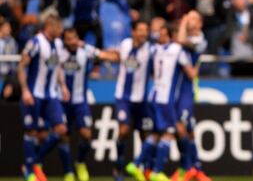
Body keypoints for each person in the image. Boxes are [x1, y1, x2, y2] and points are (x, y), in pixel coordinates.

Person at [96, 21, 154, 181]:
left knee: (145, 135)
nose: (143, 33)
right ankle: (119, 168)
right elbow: (117, 55)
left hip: (141, 99)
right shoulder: (126, 44)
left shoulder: (150, 49)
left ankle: (145, 169)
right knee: (123, 130)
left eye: (146, 30)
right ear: (133, 31)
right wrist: (99, 54)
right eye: (141, 30)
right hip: (124, 98)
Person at [18, 15, 72, 181]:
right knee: (33, 132)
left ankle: (35, 162)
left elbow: (57, 68)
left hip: (51, 94)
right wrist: (25, 90)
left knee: (61, 129)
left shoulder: (58, 44)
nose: (61, 31)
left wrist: (62, 85)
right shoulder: (35, 42)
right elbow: (21, 65)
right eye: (59, 28)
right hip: (34, 93)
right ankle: (29, 170)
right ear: (50, 26)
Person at [147, 24, 197, 181]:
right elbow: (192, 73)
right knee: (176, 132)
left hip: (178, 98)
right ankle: (183, 168)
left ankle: (187, 168)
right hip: (170, 99)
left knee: (181, 132)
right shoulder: (175, 50)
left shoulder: (196, 41)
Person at [60, 28, 107, 181]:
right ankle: (68, 172)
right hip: (63, 101)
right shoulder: (58, 53)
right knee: (63, 135)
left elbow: (106, 56)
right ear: (64, 41)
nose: (72, 41)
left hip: (80, 100)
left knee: (87, 134)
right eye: (68, 39)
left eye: (74, 37)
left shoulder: (84, 52)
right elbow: (49, 68)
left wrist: (89, 48)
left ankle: (80, 162)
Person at [171, 11, 211, 181]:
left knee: (182, 129)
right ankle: (193, 168)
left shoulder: (200, 40)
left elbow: (180, 40)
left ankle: (188, 168)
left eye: (193, 18)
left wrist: (183, 21)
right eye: (188, 17)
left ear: (200, 23)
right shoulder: (183, 38)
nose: (189, 20)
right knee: (188, 130)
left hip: (186, 91)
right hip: (175, 90)